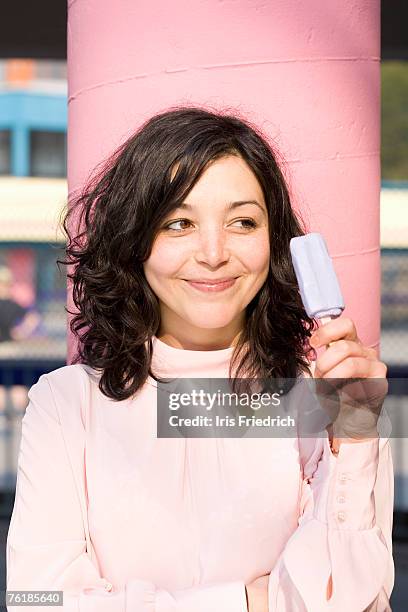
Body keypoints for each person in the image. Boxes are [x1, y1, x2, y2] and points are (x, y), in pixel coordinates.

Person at [6, 106, 394, 611]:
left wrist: (355, 440)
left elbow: (357, 602)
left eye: (243, 222)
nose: (213, 253)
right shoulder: (65, 404)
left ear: (274, 242)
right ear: (135, 240)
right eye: (179, 223)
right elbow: (35, 600)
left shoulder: (322, 403)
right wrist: (250, 601)